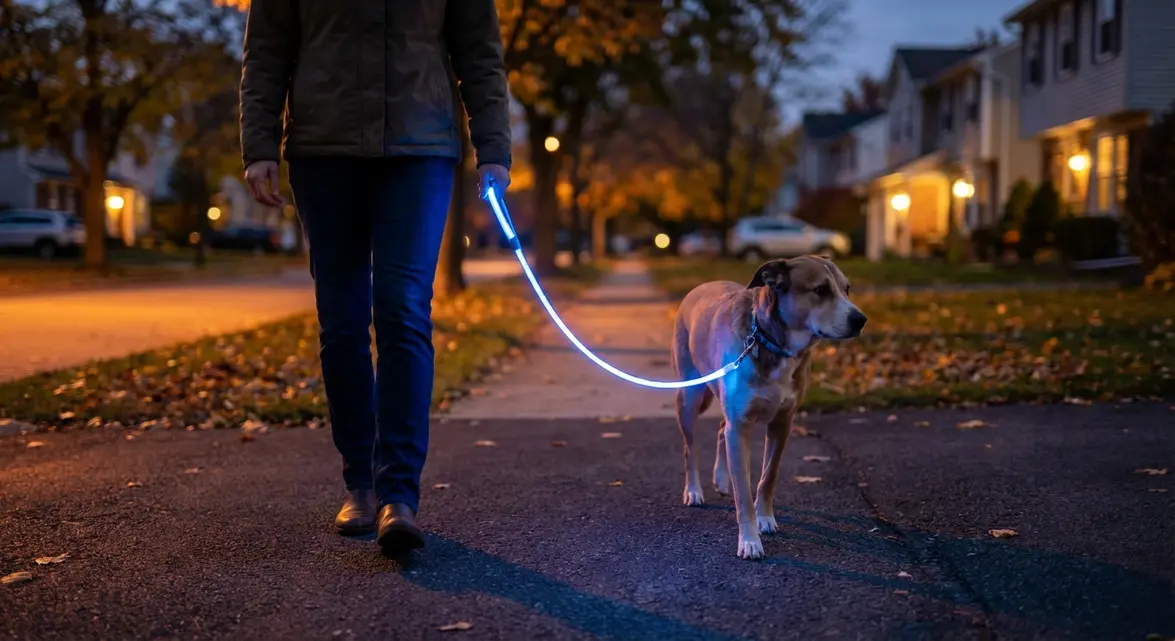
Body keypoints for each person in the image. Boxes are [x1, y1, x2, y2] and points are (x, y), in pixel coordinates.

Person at [238, 0, 512, 557]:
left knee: (403, 310)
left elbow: (479, 53)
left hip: (421, 148)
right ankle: (359, 483)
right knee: (341, 320)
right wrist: (260, 143)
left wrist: (494, 148)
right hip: (322, 150)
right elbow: (266, 50)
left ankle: (399, 495)